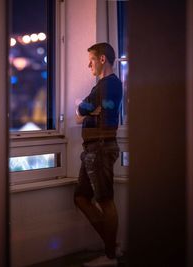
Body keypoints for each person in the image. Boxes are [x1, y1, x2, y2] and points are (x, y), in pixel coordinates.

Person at [74, 43, 122, 267]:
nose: (88, 65)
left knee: (105, 200)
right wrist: (88, 110)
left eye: (91, 60)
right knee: (81, 197)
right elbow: (79, 113)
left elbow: (80, 110)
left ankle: (110, 255)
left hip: (100, 149)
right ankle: (112, 245)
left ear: (102, 59)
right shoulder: (102, 87)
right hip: (93, 149)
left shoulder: (107, 86)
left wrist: (86, 110)